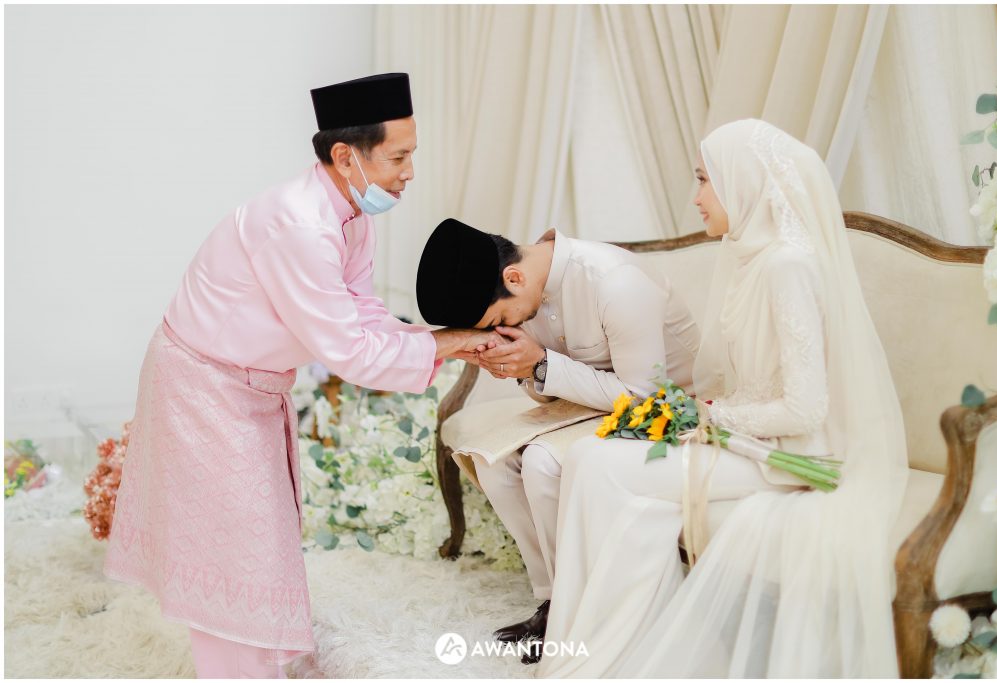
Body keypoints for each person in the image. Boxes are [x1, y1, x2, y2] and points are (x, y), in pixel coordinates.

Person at [104, 74, 501, 679]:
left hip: (252, 386)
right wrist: (455, 344)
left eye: (411, 155)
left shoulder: (351, 214)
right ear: (346, 155)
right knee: (235, 545)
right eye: (398, 157)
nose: (410, 172)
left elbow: (362, 313)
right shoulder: (299, 225)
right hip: (201, 384)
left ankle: (264, 657)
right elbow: (349, 351)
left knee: (262, 538)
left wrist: (446, 340)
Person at [538, 119, 909, 677]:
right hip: (748, 436)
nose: (696, 197)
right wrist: (708, 417)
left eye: (704, 179)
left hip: (795, 453)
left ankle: (614, 650)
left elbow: (806, 408)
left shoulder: (787, 266)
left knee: (602, 466)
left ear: (744, 181)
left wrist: (709, 417)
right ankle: (601, 639)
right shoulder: (752, 256)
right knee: (589, 455)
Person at [416, 218, 700, 663]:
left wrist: (540, 364)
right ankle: (554, 600)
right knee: (493, 459)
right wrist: (521, 367)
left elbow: (645, 398)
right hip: (594, 409)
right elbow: (549, 385)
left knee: (542, 460)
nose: (503, 328)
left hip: (670, 411)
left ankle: (583, 607)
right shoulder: (532, 291)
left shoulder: (614, 282)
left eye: (499, 320)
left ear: (513, 278)